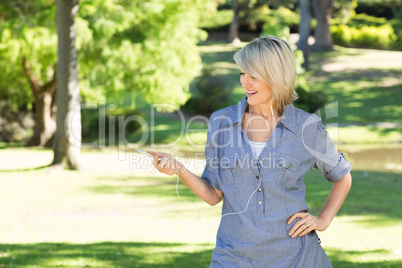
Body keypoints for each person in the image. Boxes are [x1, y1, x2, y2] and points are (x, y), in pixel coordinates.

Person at [148, 35, 352, 267]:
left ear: (276, 77)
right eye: (243, 74)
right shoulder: (221, 123)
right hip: (233, 257)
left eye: (254, 76)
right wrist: (179, 169)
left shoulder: (306, 127)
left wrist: (323, 220)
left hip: (296, 258)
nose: (245, 83)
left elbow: (342, 177)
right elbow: (213, 195)